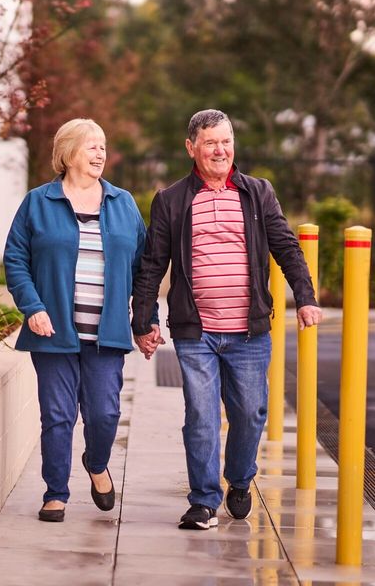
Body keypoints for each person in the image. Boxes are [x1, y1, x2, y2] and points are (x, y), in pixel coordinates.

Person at [131, 109, 323, 530]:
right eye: (210, 142)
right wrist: (143, 321)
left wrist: (305, 297)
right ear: (191, 148)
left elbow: (287, 248)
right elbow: (151, 265)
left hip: (249, 331)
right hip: (195, 331)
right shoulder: (172, 200)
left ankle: (239, 479)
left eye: (226, 141)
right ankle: (202, 501)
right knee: (200, 414)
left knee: (251, 412)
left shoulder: (258, 193)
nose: (220, 150)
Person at [3, 118, 151, 523]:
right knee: (57, 416)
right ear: (67, 153)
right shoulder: (39, 202)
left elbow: (145, 270)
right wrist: (33, 307)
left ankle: (96, 462)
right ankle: (56, 493)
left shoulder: (122, 204)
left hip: (108, 336)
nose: (100, 153)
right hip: (54, 333)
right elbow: (16, 258)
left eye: (102, 146)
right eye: (91, 146)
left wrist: (146, 320)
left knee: (104, 414)